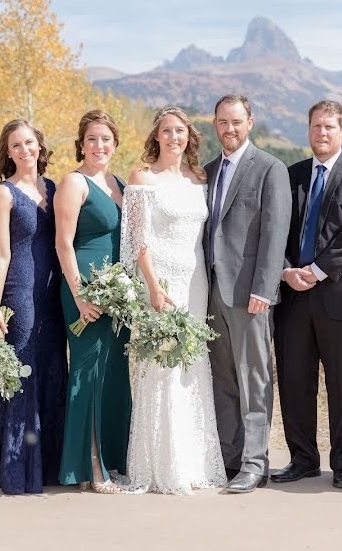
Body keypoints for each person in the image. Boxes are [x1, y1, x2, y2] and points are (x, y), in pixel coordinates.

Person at [272, 100, 342, 489]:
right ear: (309, 130)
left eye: (330, 127)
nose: (322, 133)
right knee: (294, 380)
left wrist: (316, 271)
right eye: (316, 126)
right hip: (293, 296)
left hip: (341, 297)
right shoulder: (292, 175)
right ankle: (302, 458)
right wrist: (286, 269)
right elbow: (276, 228)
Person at [120, 106, 227, 494]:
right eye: (167, 131)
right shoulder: (142, 177)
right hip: (160, 284)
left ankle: (193, 461)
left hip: (195, 283)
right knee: (161, 366)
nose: (174, 138)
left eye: (180, 131)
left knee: (192, 367)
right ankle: (160, 465)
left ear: (189, 137)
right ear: (156, 136)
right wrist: (151, 286)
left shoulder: (199, 178)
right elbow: (137, 240)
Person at [203, 94, 291, 493]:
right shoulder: (206, 171)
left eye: (236, 122)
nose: (230, 129)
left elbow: (275, 234)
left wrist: (265, 289)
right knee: (222, 377)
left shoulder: (270, 168)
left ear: (250, 122)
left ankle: (256, 462)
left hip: (249, 293)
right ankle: (229, 457)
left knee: (253, 377)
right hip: (211, 292)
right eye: (223, 122)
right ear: (214, 124)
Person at [0, 119, 68, 495]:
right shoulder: (3, 194)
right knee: (23, 370)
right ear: (8, 152)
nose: (24, 150)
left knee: (51, 368)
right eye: (16, 145)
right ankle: (17, 467)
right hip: (20, 290)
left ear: (40, 146)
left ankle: (48, 465)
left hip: (52, 294)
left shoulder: (54, 187)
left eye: (29, 142)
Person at [55, 110, 133, 493]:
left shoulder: (119, 183)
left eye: (105, 139)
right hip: (85, 291)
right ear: (81, 145)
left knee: (114, 376)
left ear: (115, 143)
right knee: (88, 375)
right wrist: (80, 295)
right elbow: (63, 242)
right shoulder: (74, 182)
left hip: (117, 294)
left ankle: (112, 459)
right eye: (91, 139)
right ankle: (90, 468)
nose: (99, 146)